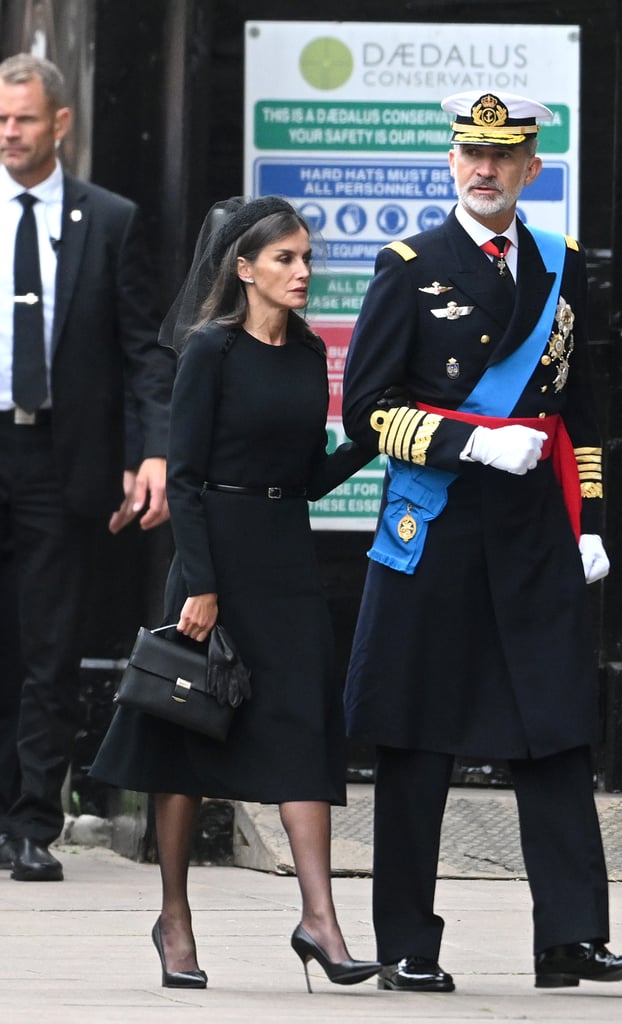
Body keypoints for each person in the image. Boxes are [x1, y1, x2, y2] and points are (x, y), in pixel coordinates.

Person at [342, 89, 622, 991]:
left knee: (555, 732)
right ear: (451, 163)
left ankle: (572, 937)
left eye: (502, 156)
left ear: (530, 170)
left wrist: (589, 521)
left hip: (532, 533)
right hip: (436, 527)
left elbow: (580, 409)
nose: (484, 169)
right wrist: (470, 438)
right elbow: (366, 410)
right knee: (417, 739)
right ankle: (406, 942)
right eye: (469, 154)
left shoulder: (561, 263)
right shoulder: (410, 265)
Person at [91, 196, 380, 992]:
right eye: (286, 259)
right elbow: (182, 478)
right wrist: (205, 585)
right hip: (215, 561)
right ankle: (174, 920)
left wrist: (371, 438)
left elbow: (307, 475)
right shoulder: (208, 352)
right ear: (244, 269)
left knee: (302, 731)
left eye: (308, 258)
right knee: (188, 738)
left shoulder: (305, 352)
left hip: (287, 559)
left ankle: (319, 919)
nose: (303, 272)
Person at [0, 54, 173, 883]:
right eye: (0, 118)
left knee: (49, 647)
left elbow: (142, 349)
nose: (9, 131)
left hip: (60, 460)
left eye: (24, 118)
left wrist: (150, 450)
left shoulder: (109, 219)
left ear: (60, 122)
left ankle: (32, 821)